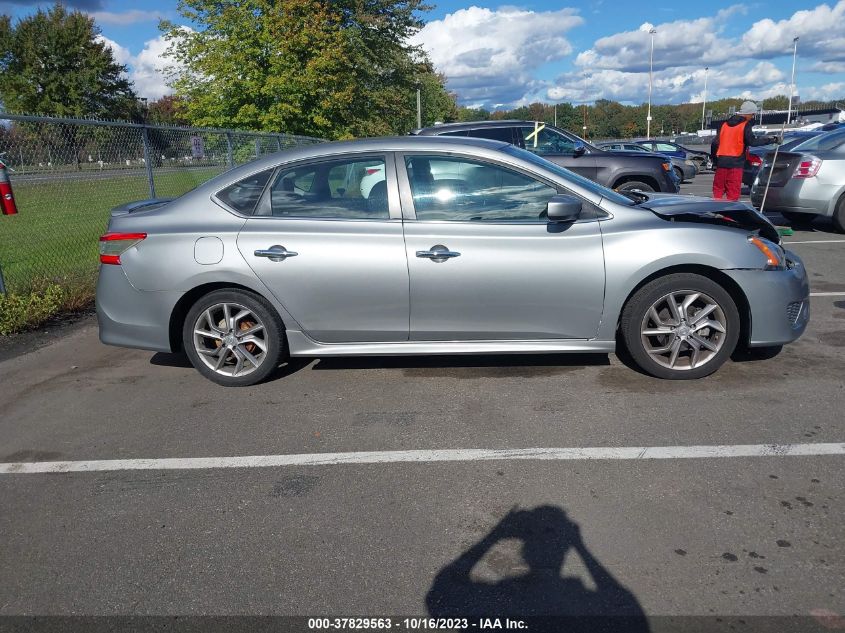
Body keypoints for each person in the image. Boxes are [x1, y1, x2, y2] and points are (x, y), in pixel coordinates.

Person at [711, 101, 778, 201]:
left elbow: (715, 143)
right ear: (749, 113)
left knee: (718, 191)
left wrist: (715, 161)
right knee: (733, 194)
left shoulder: (724, 124)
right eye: (753, 115)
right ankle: (730, 214)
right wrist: (772, 140)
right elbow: (753, 142)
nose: (753, 117)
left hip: (722, 162)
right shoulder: (745, 125)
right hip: (736, 163)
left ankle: (715, 211)